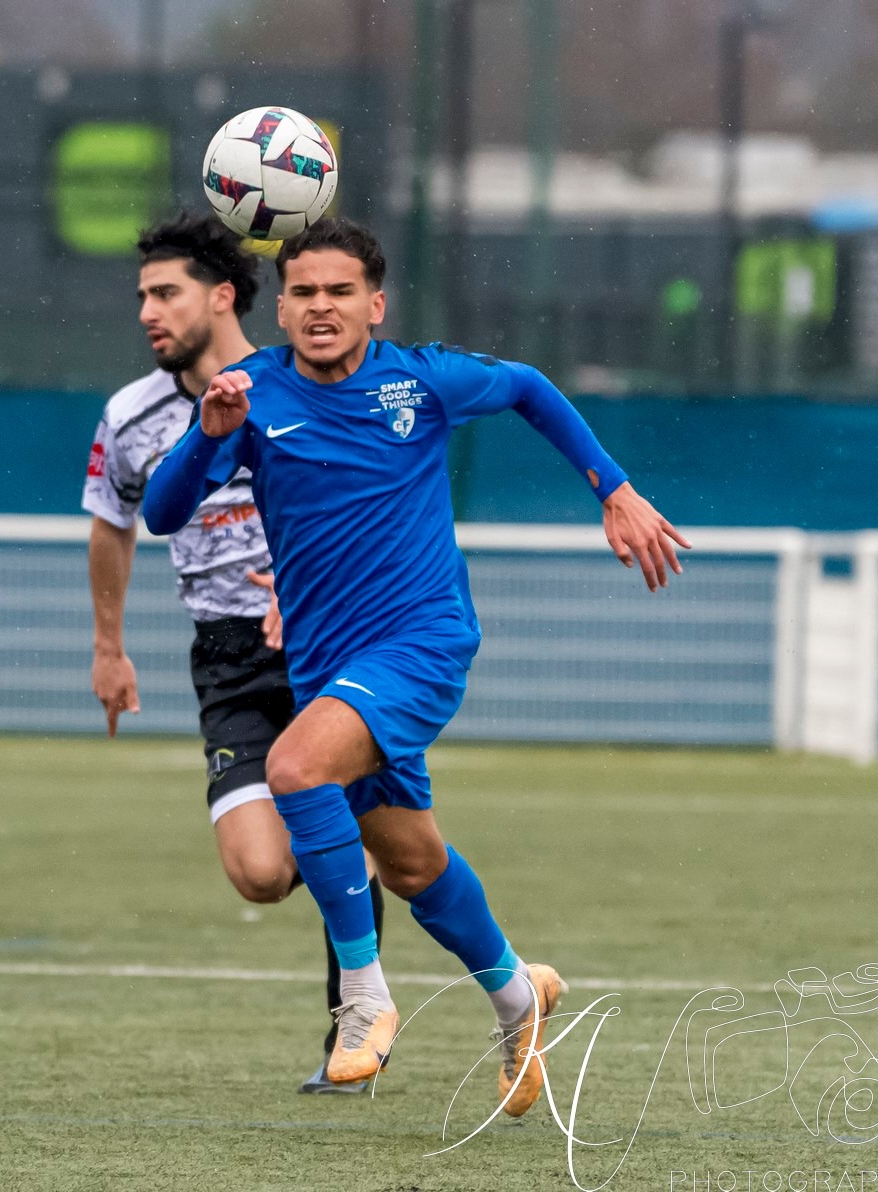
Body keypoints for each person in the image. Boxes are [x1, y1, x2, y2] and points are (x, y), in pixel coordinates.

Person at [143, 217, 689, 1113]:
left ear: (375, 304)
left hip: (423, 642)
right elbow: (164, 514)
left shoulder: (421, 379)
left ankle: (363, 1000)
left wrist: (613, 486)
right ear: (281, 307)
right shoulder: (250, 398)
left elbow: (528, 387)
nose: (322, 308)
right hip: (328, 669)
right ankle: (521, 999)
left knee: (293, 766)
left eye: (340, 292)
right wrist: (207, 434)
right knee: (409, 863)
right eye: (306, 293)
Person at [83, 213, 385, 1094]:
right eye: (142, 295)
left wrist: (316, 589)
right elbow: (113, 524)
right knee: (260, 874)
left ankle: (354, 1035)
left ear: (222, 297)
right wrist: (109, 646)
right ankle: (351, 860)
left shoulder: (303, 384)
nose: (148, 311)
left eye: (166, 293)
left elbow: (377, 500)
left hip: (327, 640)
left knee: (368, 837)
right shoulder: (132, 416)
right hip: (223, 657)